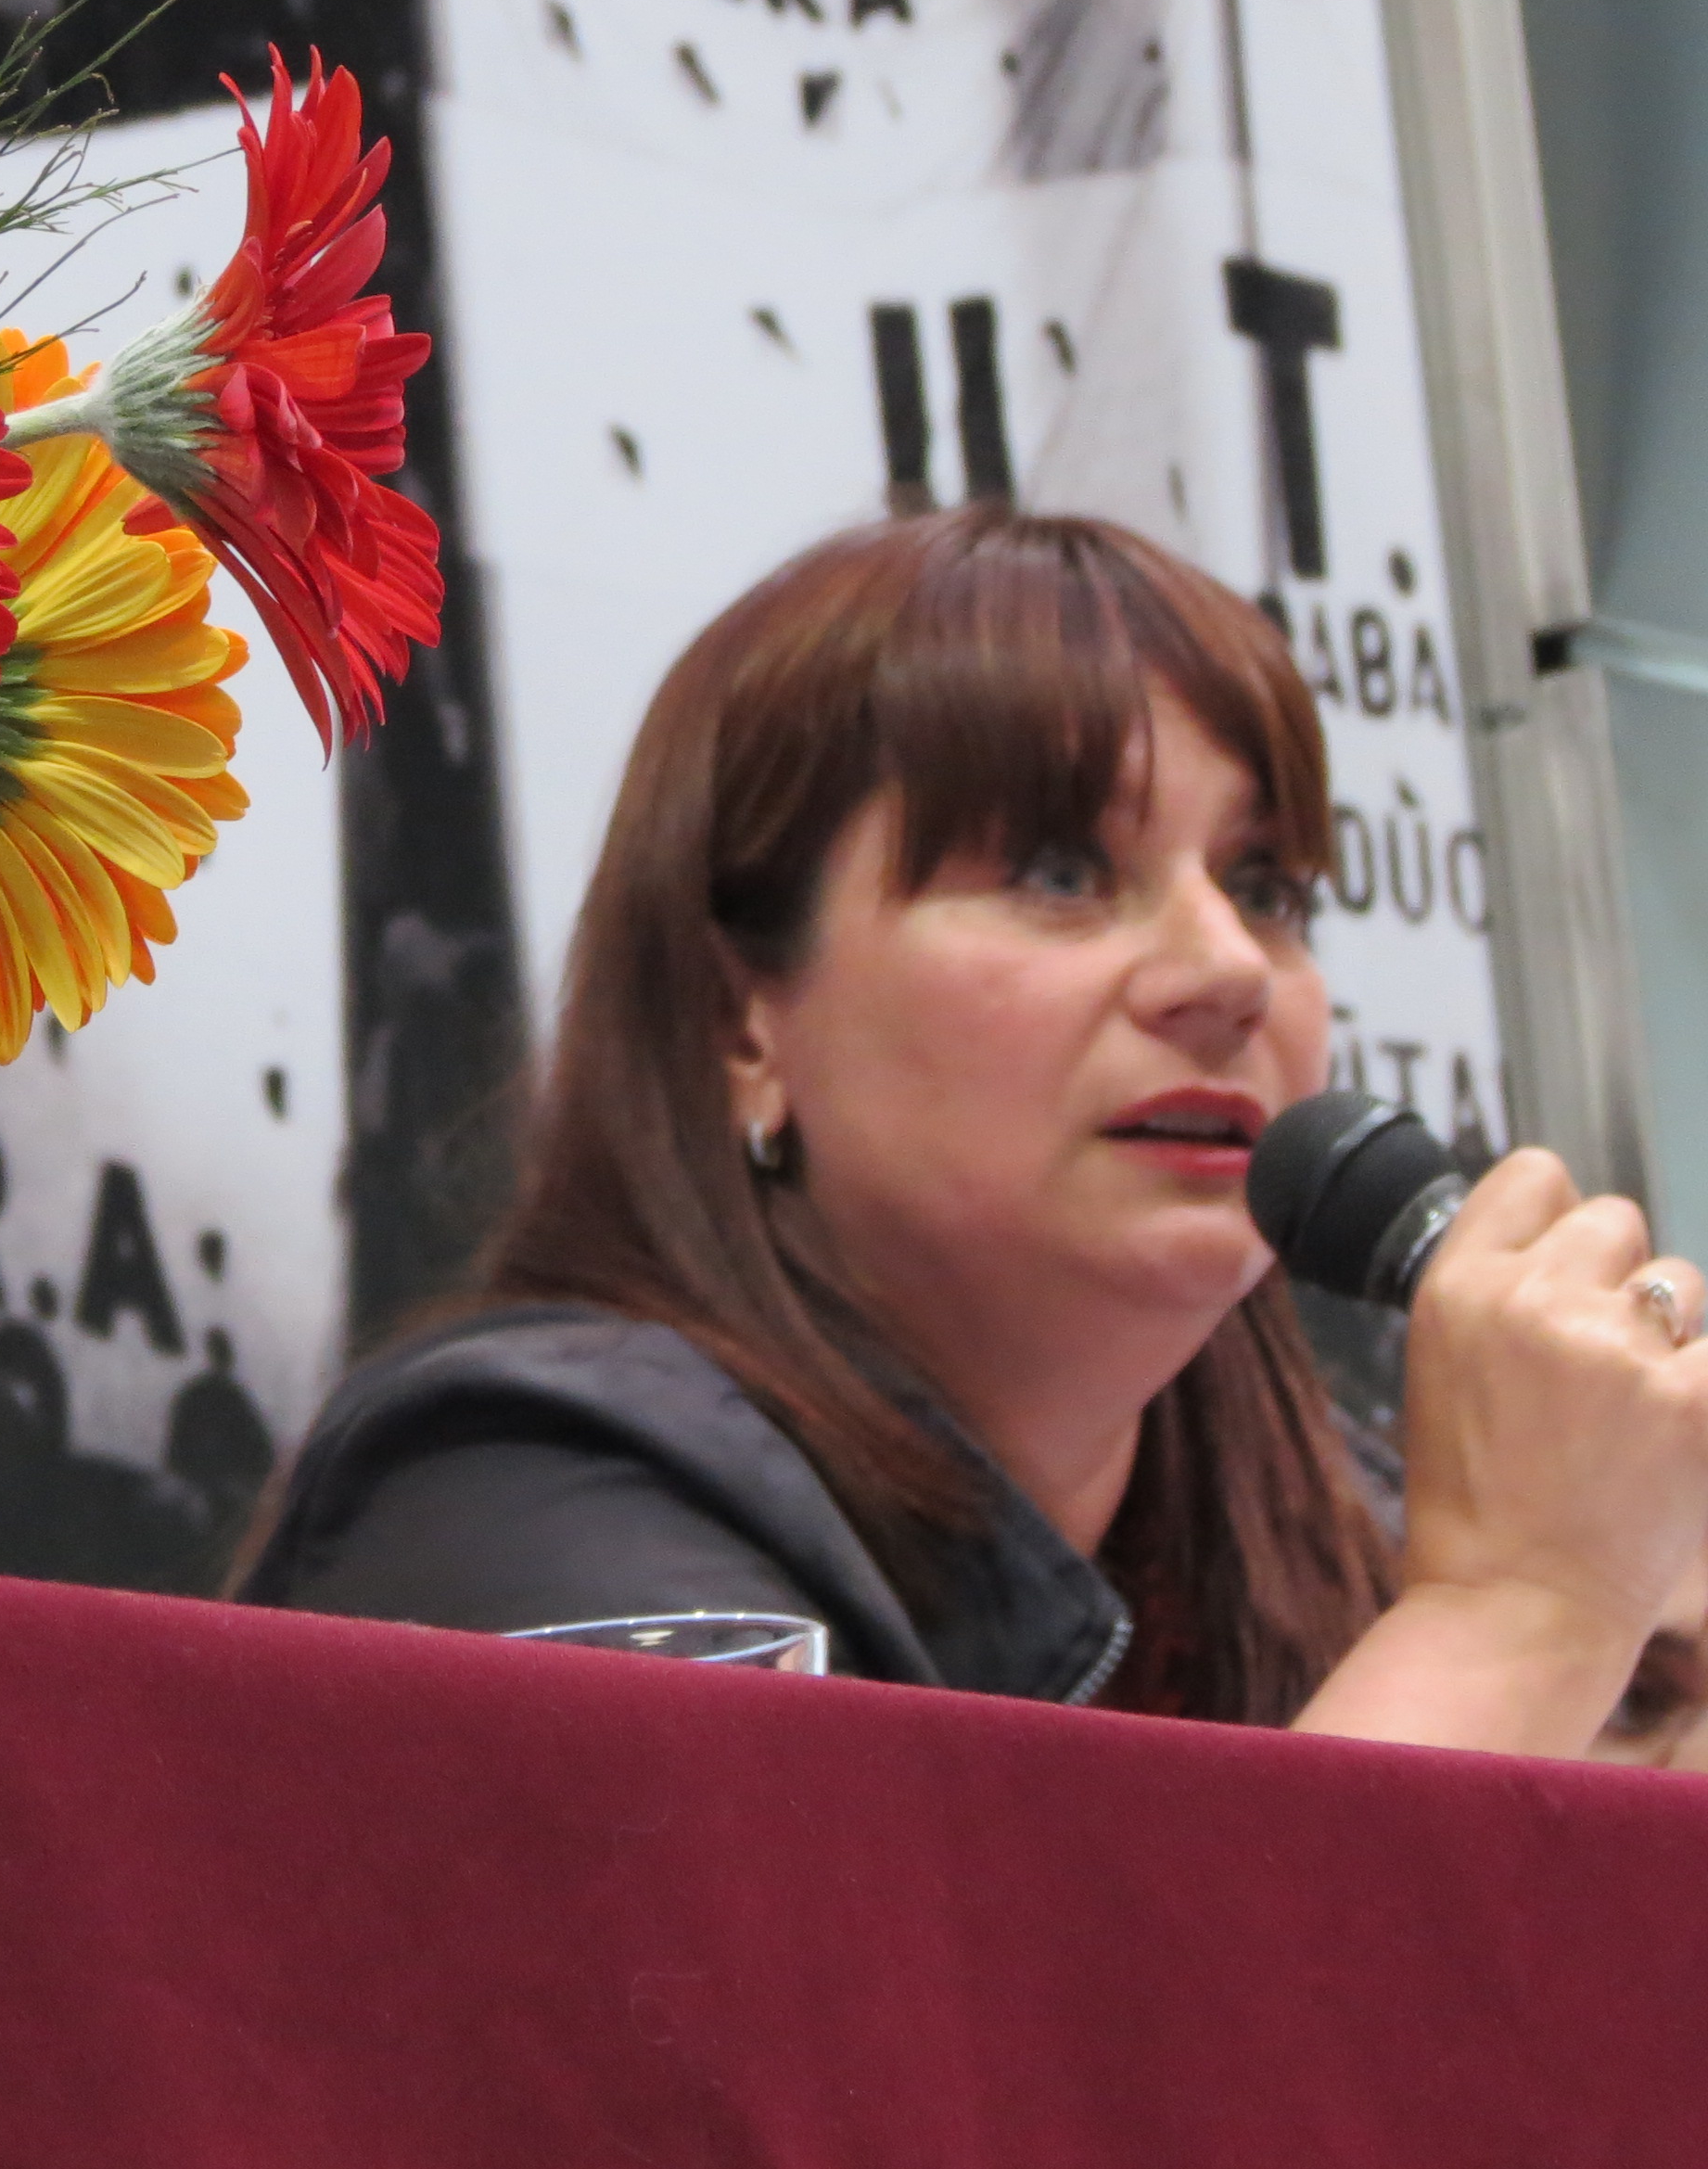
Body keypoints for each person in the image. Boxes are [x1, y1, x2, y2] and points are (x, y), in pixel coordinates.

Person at [238, 508, 1708, 1753]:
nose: (1227, 971)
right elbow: (884, 2029)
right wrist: (1518, 1617)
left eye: (1265, 889)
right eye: (1062, 873)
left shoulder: (1345, 1532)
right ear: (741, 1020)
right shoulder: (517, 1487)